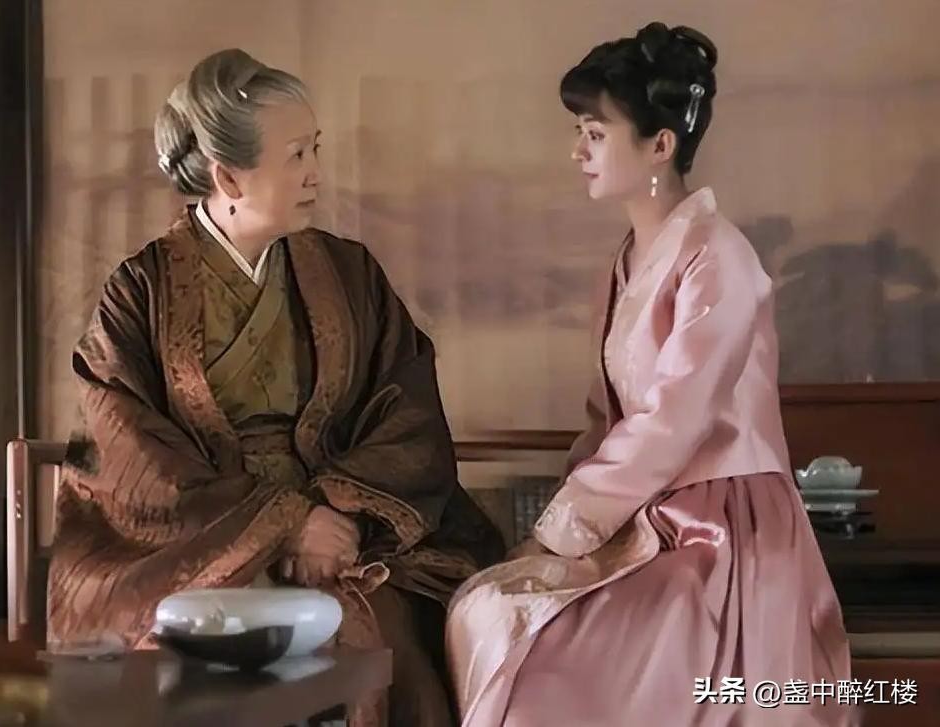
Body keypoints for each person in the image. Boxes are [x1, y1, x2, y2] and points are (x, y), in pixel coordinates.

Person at [47, 48, 504, 727]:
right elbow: (129, 449)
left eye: (315, 148)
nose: (316, 171)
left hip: (348, 533)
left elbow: (404, 409)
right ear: (228, 175)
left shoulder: (349, 274)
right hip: (197, 544)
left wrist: (336, 518)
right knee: (179, 651)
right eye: (296, 155)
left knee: (386, 639)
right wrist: (283, 524)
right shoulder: (140, 291)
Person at [445, 23, 852, 726]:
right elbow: (605, 416)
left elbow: (675, 416)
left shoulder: (718, 257)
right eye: (579, 132)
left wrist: (564, 529)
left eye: (595, 133)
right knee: (484, 607)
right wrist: (566, 524)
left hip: (721, 525)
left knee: (555, 652)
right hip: (646, 511)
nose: (578, 150)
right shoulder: (630, 256)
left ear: (659, 145)